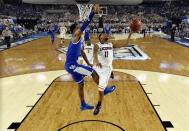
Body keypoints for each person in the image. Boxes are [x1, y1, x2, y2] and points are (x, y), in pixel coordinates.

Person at [93, 25, 133, 115]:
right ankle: (105, 88)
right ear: (100, 38)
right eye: (103, 34)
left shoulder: (111, 44)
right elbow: (95, 53)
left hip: (106, 70)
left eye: (105, 34)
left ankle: (99, 105)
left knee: (100, 90)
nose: (105, 34)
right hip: (98, 66)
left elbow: (125, 44)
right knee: (90, 71)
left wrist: (130, 33)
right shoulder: (97, 45)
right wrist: (96, 61)